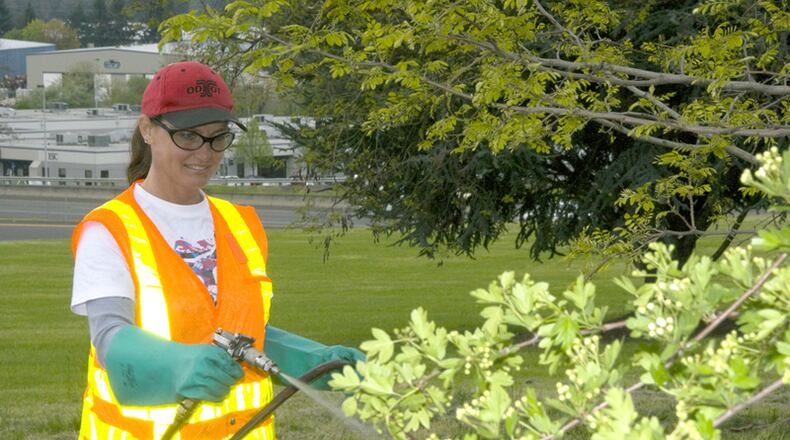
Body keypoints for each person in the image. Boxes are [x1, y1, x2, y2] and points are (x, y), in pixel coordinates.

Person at [70, 60, 364, 439]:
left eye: (218, 137)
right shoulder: (111, 229)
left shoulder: (240, 225)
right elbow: (110, 336)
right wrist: (177, 366)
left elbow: (240, 334)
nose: (205, 153)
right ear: (148, 129)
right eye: (189, 136)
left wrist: (314, 361)